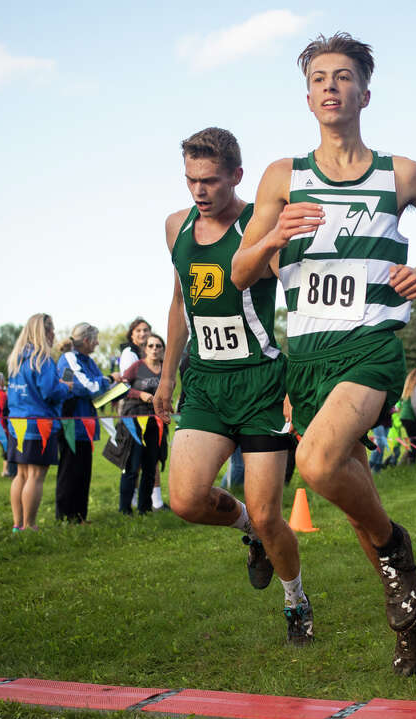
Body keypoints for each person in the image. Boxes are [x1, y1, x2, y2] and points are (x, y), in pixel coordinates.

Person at [231, 32, 416, 674]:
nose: (330, 87)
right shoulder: (282, 179)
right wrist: (273, 234)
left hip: (370, 347)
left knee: (314, 461)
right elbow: (239, 271)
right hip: (307, 357)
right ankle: (405, 605)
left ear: (364, 92)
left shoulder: (402, 174)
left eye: (342, 77)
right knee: (348, 491)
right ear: (307, 96)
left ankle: (397, 545)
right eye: (318, 78)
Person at [154, 127, 312, 644]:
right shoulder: (176, 227)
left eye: (211, 181)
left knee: (271, 514)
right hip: (203, 382)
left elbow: (299, 302)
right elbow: (180, 303)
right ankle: (249, 533)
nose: (199, 191)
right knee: (185, 500)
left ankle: (296, 603)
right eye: (191, 180)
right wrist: (165, 375)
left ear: (236, 177)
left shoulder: (254, 225)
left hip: (260, 382)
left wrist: (300, 380)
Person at [7, 313, 72, 532]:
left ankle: (18, 525)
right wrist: (66, 387)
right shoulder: (41, 358)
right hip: (38, 424)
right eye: (52, 329)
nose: (54, 333)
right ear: (43, 332)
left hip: (17, 423)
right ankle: (30, 524)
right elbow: (50, 391)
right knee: (35, 475)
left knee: (21, 474)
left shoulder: (17, 357)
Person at [56, 323, 111, 523]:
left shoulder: (88, 360)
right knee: (69, 472)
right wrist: (106, 380)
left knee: (83, 472)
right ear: (87, 340)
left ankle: (79, 517)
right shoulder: (68, 359)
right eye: (95, 339)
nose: (97, 343)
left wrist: (102, 382)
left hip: (86, 425)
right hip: (72, 424)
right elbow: (87, 387)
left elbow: (96, 384)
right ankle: (64, 518)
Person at [118, 333, 167, 515]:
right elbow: (122, 387)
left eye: (158, 346)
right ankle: (125, 509)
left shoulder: (165, 369)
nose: (155, 349)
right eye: (151, 346)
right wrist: (140, 394)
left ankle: (144, 508)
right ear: (144, 349)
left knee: (150, 465)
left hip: (156, 423)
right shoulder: (137, 367)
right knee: (132, 465)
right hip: (134, 421)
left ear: (163, 350)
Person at [396, 368, 416, 465]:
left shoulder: (409, 386)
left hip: (404, 417)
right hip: (410, 417)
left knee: (415, 440)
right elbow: (415, 406)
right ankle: (410, 462)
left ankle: (405, 462)